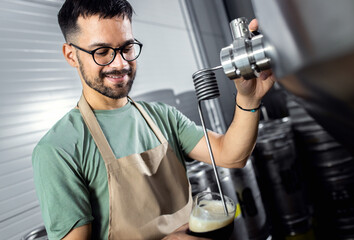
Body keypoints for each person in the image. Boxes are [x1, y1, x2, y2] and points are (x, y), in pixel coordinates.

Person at [31, 0, 274, 239]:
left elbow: (232, 155)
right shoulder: (57, 149)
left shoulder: (162, 115)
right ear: (71, 55)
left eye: (127, 48)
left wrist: (249, 98)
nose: (120, 63)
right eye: (102, 52)